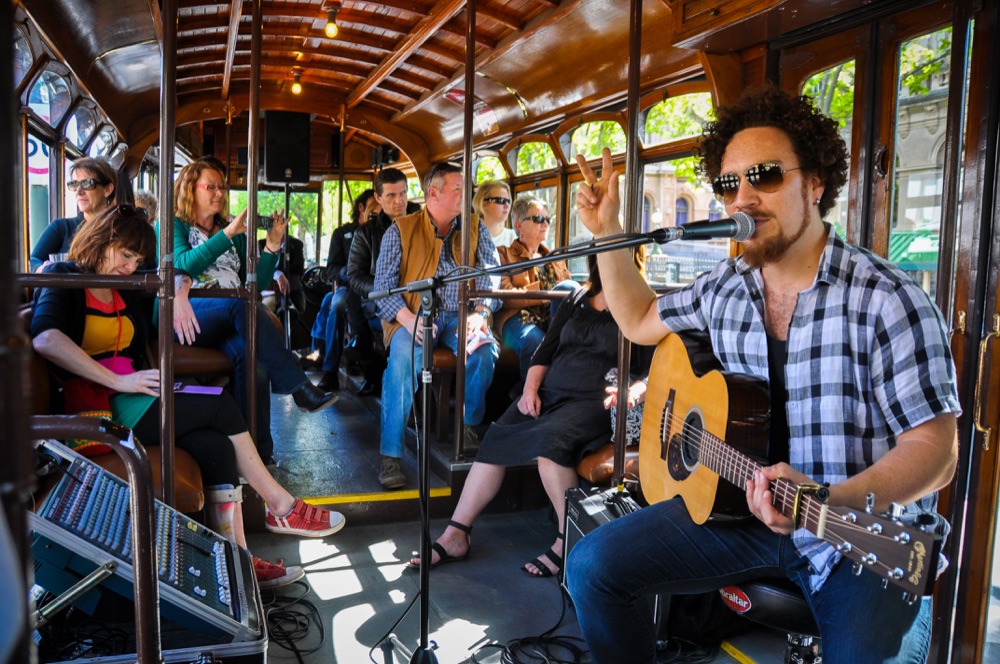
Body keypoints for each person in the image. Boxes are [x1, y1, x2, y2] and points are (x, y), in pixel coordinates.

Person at [565, 86, 960, 663]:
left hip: (854, 533)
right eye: (730, 184)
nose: (744, 198)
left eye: (766, 176)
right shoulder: (726, 287)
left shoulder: (888, 299)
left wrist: (829, 497)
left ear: (816, 184)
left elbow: (936, 450)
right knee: (592, 567)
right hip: (740, 511)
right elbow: (640, 318)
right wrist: (606, 234)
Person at [31, 205, 346, 589]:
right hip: (97, 404)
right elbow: (46, 339)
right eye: (125, 255)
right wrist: (119, 380)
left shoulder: (126, 285)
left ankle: (237, 566)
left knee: (215, 445)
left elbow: (176, 272)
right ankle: (281, 507)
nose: (130, 266)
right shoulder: (65, 277)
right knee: (218, 404)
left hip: (135, 391)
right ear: (101, 240)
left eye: (136, 258)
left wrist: (179, 292)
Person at [409, 254, 650, 577]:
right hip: (550, 393)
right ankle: (456, 533)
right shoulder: (577, 299)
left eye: (616, 258)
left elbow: (653, 368)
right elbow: (545, 350)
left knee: (551, 445)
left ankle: (567, 541)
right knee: (496, 436)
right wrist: (530, 389)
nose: (610, 263)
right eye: (604, 257)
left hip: (594, 402)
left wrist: (634, 390)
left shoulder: (641, 307)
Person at [166, 160, 337, 466]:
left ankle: (258, 454)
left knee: (253, 357)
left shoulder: (235, 232)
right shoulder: (173, 225)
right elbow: (182, 264)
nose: (219, 193)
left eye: (222, 187)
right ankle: (299, 388)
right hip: (191, 314)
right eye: (211, 187)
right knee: (240, 304)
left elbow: (252, 285)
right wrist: (228, 234)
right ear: (190, 189)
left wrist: (271, 248)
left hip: (233, 315)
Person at [371, 162, 500, 489]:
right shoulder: (400, 230)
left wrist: (481, 312)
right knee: (400, 364)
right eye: (458, 190)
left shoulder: (475, 227)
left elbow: (490, 275)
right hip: (413, 314)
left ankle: (469, 424)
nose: (465, 196)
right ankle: (391, 455)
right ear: (433, 193)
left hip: (462, 316)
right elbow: (382, 289)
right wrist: (408, 320)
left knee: (485, 350)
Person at [347, 168, 420, 398]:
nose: (399, 201)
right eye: (391, 196)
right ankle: (393, 390)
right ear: (378, 198)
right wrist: (385, 289)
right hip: (382, 301)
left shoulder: (424, 223)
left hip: (421, 298)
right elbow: (355, 276)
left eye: (403, 194)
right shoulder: (366, 233)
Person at [495, 195, 578, 380]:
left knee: (570, 290)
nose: (545, 224)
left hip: (551, 318)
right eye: (538, 219)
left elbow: (569, 292)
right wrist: (544, 295)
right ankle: (529, 399)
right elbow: (504, 296)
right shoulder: (504, 255)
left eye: (547, 219)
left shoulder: (555, 259)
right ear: (519, 225)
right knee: (535, 340)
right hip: (517, 317)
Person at [311, 189, 375, 391]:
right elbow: (330, 270)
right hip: (348, 287)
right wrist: (349, 271)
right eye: (375, 206)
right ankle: (330, 372)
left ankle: (372, 370)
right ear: (362, 207)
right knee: (336, 305)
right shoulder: (342, 234)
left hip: (376, 288)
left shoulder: (384, 232)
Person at [30, 157, 119, 272]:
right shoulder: (61, 227)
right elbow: (33, 260)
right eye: (74, 184)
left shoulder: (120, 229)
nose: (78, 191)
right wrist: (47, 270)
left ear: (108, 189)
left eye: (87, 183)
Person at [259, 232, 306, 315]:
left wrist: (279, 272)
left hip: (289, 293)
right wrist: (277, 274)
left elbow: (298, 268)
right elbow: (260, 267)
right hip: (265, 292)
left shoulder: (295, 245)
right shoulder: (261, 244)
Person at [473, 179, 516, 249]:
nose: (507, 205)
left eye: (508, 201)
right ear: (483, 204)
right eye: (501, 200)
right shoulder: (470, 237)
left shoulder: (512, 237)